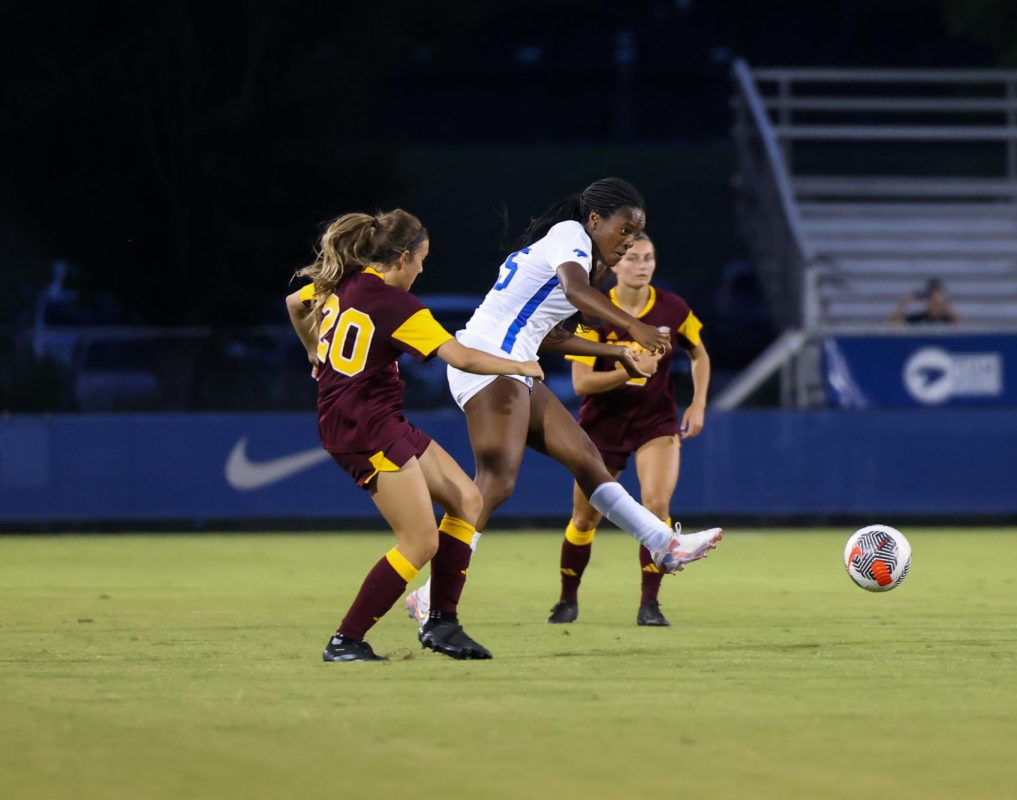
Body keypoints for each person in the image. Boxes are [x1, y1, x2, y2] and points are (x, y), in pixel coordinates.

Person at [403, 178, 723, 647]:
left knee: (586, 458)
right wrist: (635, 327)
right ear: (595, 220)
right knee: (496, 481)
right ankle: (431, 593)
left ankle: (663, 544)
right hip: (488, 361)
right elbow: (575, 292)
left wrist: (621, 354)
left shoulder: (580, 257)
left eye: (638, 235)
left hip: (515, 367)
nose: (630, 242)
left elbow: (551, 338)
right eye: (625, 230)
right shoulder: (571, 236)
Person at [284, 209, 543, 662]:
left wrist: (314, 351)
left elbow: (295, 303)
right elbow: (461, 357)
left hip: (377, 417)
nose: (423, 269)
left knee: (467, 500)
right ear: (403, 257)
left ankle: (442, 624)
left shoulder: (345, 282)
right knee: (420, 541)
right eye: (421, 259)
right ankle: (345, 641)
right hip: (361, 425)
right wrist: (519, 365)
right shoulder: (396, 304)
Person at [545, 231, 711, 627]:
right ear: (615, 263)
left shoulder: (672, 308)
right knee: (585, 519)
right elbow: (582, 384)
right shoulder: (594, 310)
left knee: (656, 506)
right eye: (633, 258)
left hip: (655, 420)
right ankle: (568, 599)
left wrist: (699, 401)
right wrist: (628, 368)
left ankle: (649, 605)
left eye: (649, 258)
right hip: (603, 424)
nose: (642, 266)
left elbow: (699, 353)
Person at [890, 278, 960, 325]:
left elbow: (964, 328)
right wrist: (904, 303)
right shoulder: (919, 318)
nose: (935, 304)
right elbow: (893, 322)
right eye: (932, 301)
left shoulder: (947, 319)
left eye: (937, 302)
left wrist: (947, 307)